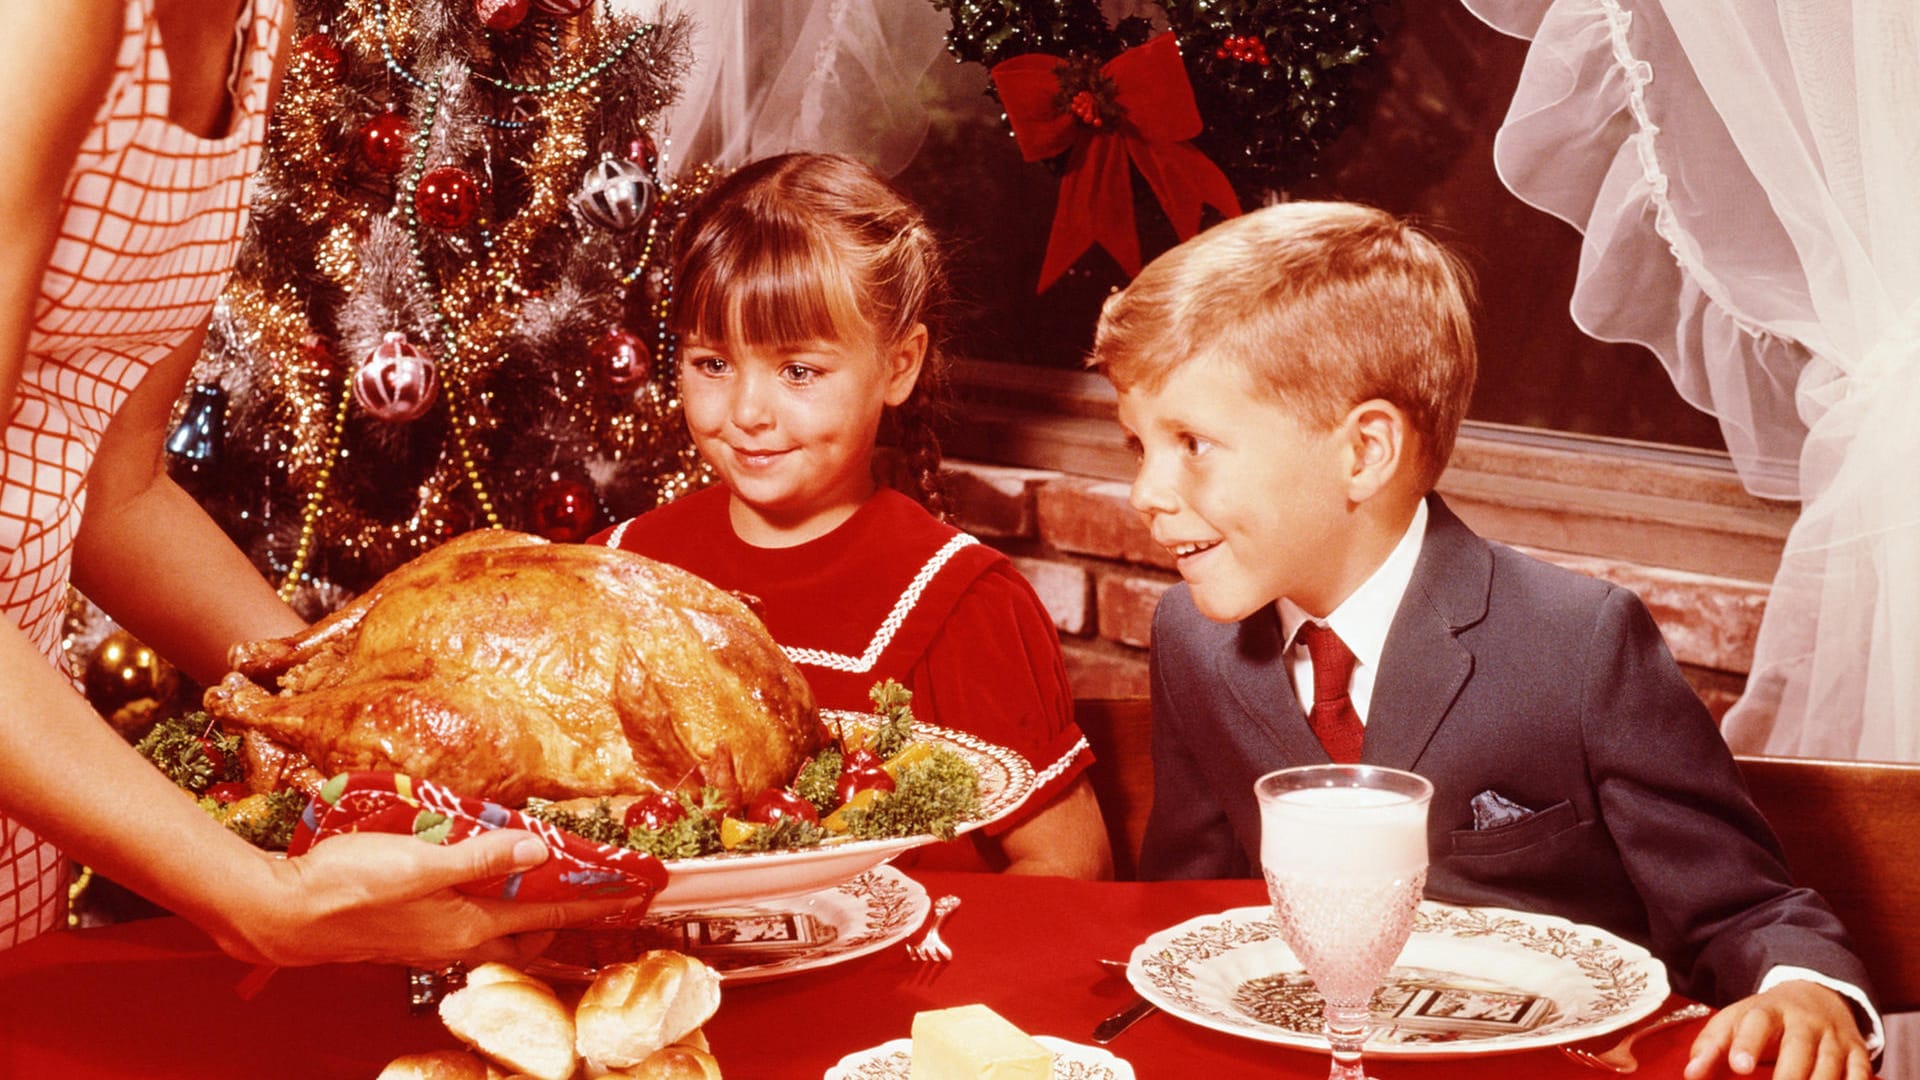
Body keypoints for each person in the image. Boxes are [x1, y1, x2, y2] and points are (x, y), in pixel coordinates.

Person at [1093, 200, 1879, 1080]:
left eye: (1192, 443)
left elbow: (1743, 912)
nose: (1147, 492)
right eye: (1138, 444)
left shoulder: (1579, 643)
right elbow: (1191, 912)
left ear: (1365, 453)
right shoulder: (1192, 640)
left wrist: (1805, 988)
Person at [0, 0, 646, 963]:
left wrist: (357, 713)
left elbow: (113, 490)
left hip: (31, 760)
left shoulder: (254, 27)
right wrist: (257, 894)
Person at [592, 152, 1111, 879]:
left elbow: (1068, 868)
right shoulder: (615, 572)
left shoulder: (966, 605)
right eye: (712, 363)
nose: (747, 412)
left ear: (898, 367)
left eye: (798, 371)